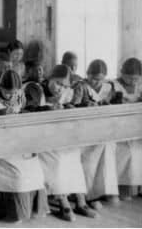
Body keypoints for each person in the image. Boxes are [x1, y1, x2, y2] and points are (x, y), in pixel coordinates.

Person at [0, 70, 49, 223]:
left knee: (34, 167)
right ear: (0, 87)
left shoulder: (20, 96)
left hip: (16, 141)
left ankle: (31, 208)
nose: (11, 96)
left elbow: (24, 112)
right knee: (17, 174)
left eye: (14, 93)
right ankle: (11, 211)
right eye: (7, 93)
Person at [39, 65, 97, 222]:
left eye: (64, 86)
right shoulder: (38, 89)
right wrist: (47, 109)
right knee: (57, 158)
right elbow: (29, 110)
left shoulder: (67, 93)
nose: (60, 88)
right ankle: (63, 200)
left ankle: (80, 200)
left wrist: (82, 106)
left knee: (73, 153)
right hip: (41, 138)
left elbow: (70, 109)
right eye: (57, 83)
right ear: (50, 77)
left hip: (60, 135)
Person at [78, 60, 119, 208]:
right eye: (93, 78)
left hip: (103, 129)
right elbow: (73, 106)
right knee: (89, 157)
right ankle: (88, 194)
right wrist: (84, 105)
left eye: (100, 79)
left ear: (105, 77)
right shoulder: (81, 87)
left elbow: (115, 105)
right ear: (87, 75)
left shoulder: (109, 87)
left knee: (108, 148)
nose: (96, 82)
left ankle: (104, 190)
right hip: (84, 130)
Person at [112, 58, 142, 200]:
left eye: (135, 78)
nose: (132, 81)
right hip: (119, 127)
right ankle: (123, 189)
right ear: (121, 73)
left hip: (136, 126)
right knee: (126, 152)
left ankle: (137, 187)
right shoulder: (114, 85)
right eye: (129, 78)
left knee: (138, 150)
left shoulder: (140, 86)